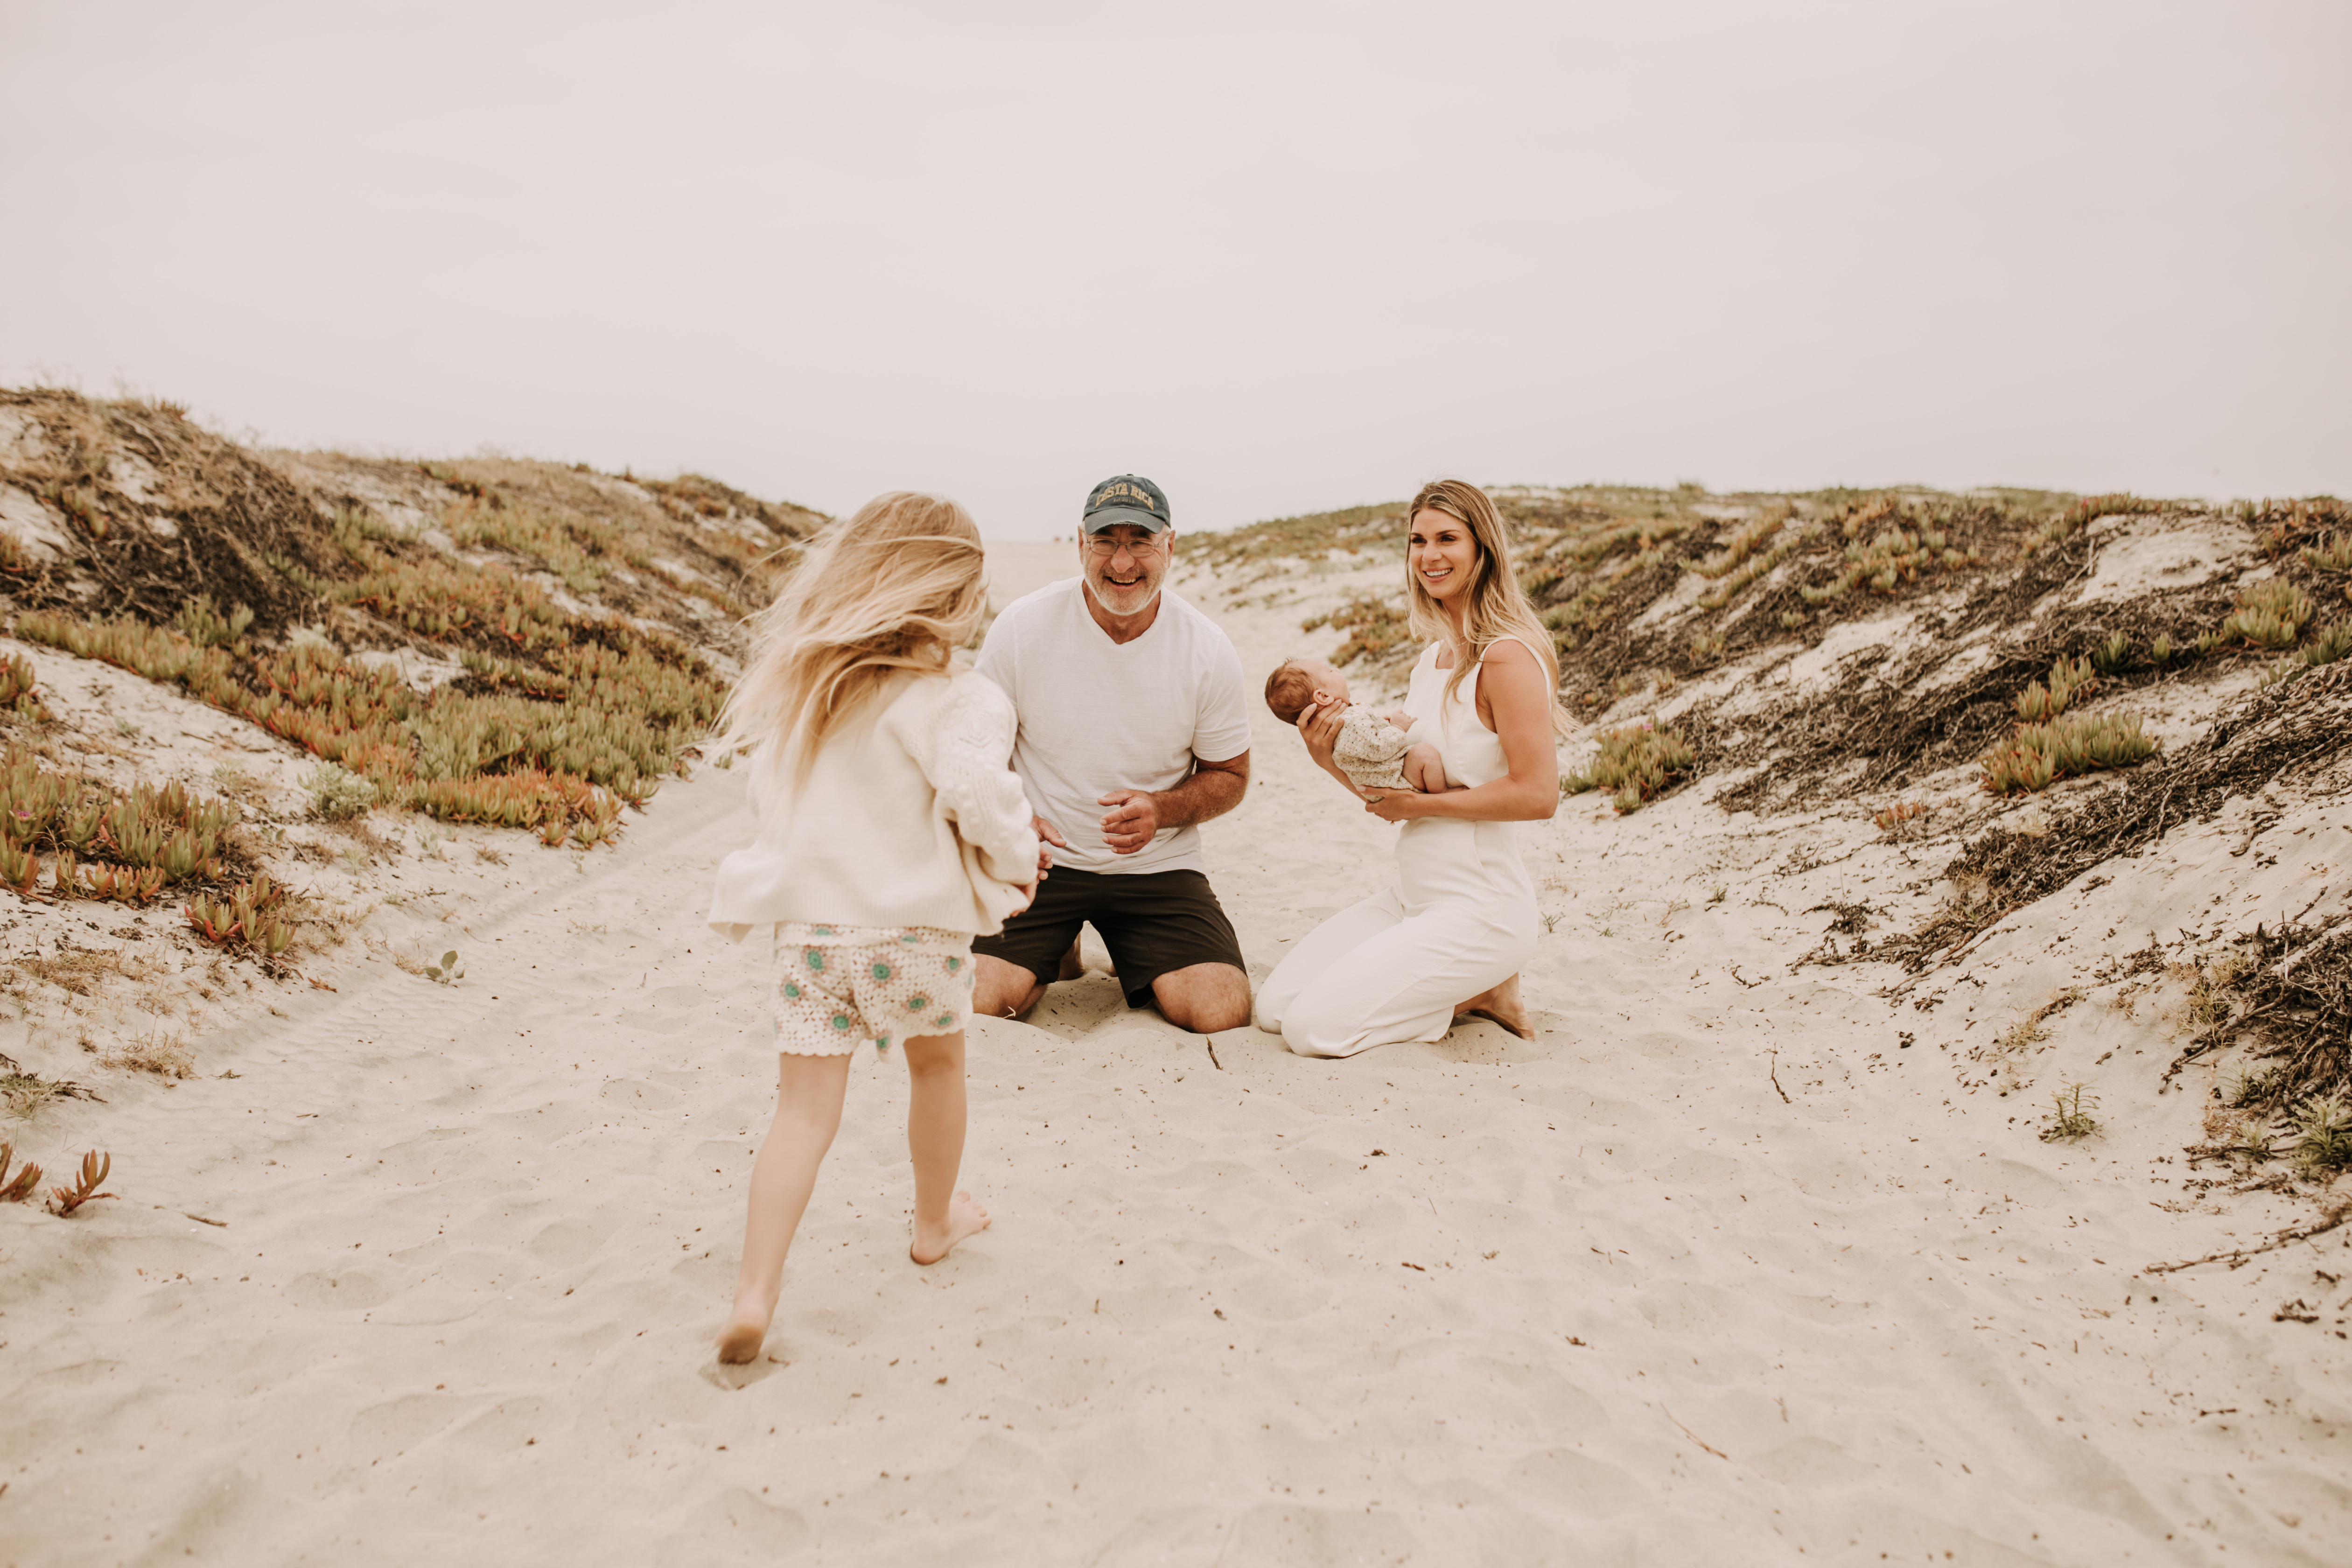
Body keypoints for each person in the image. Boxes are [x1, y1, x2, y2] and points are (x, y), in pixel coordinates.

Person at [704, 491, 1040, 1365]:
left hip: (812, 938)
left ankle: (754, 1291)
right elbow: (978, 795)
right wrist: (1017, 860)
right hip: (913, 939)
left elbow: (767, 799)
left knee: (802, 1114)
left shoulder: (814, 693)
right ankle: (935, 1222)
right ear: (958, 593)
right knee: (938, 1070)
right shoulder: (959, 698)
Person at [1254, 479, 1572, 1057]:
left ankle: (1477, 988)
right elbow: (1394, 793)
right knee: (1274, 1010)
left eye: (1448, 538)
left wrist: (1422, 807)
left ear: (1482, 548)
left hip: (1480, 907)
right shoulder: (1433, 659)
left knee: (1311, 1031)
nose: (1430, 555)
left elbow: (1538, 795)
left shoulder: (1507, 657)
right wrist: (1327, 761)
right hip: (1411, 895)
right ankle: (1475, 991)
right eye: (1418, 540)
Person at [970, 474, 1254, 1033]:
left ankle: (1122, 945)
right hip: (1041, 863)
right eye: (1106, 540)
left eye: (1139, 541)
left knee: (1220, 1011)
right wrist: (1013, 816)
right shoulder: (1023, 628)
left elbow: (1231, 774)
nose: (1122, 562)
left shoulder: (1206, 648)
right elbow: (973, 748)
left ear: (1169, 546)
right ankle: (1060, 943)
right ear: (1081, 543)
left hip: (1158, 867)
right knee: (979, 1001)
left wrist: (1161, 810)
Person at [1263, 654, 1451, 795]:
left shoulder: (1345, 722)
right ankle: (1442, 797)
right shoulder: (1348, 723)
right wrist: (1398, 728)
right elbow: (1379, 748)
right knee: (1425, 754)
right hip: (1396, 778)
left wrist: (1382, 725)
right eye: (1330, 671)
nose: (1336, 670)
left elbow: (1367, 741)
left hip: (1390, 774)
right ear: (1324, 696)